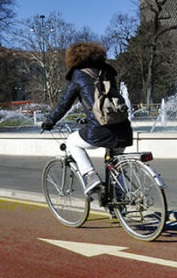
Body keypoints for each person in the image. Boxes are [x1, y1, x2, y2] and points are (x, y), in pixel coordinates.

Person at [41, 42, 133, 194]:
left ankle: (90, 175)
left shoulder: (78, 75)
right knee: (114, 164)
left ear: (73, 58)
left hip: (100, 130)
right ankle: (121, 196)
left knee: (72, 141)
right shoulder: (108, 71)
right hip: (123, 128)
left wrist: (49, 122)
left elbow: (65, 103)